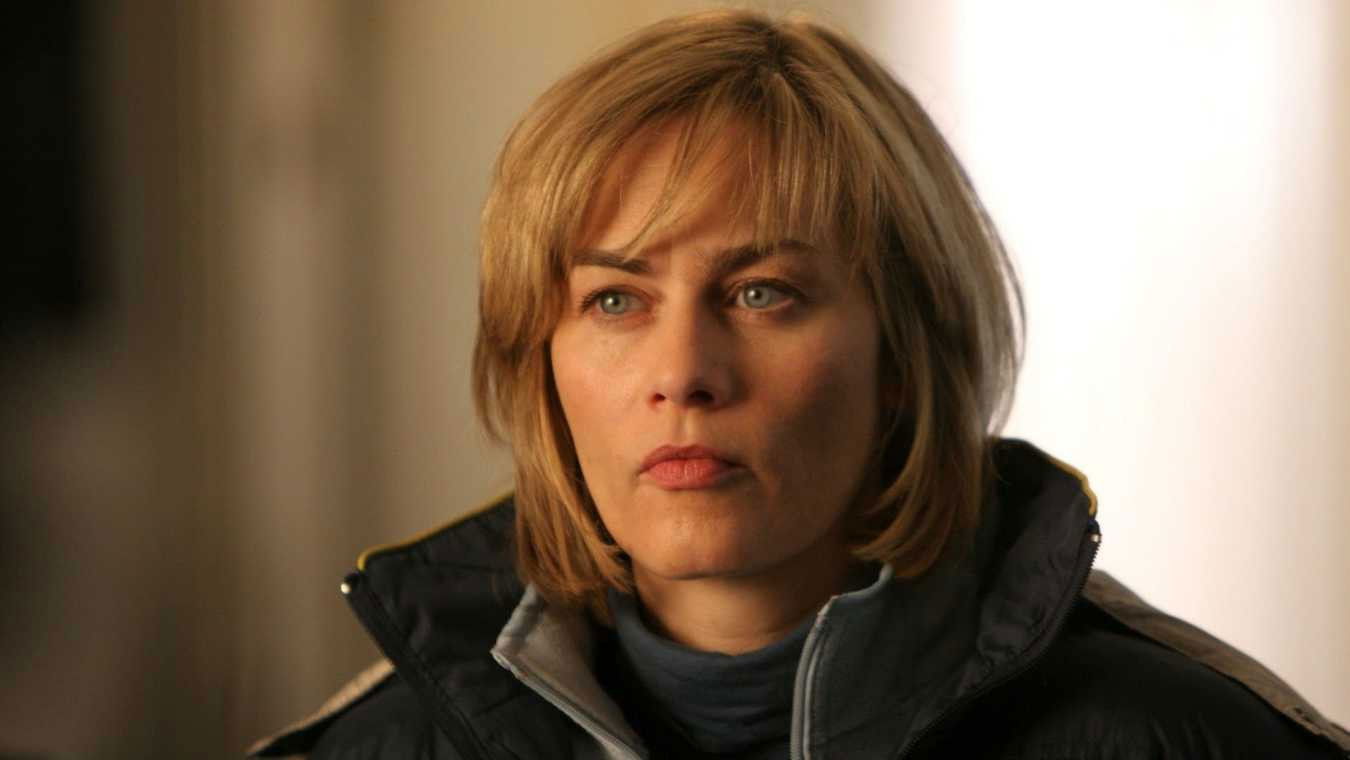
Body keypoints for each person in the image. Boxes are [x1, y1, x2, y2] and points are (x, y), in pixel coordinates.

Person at [250, 10, 1349, 759]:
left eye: (762, 292)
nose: (683, 374)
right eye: (616, 300)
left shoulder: (1178, 737)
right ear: (540, 358)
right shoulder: (374, 748)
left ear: (903, 352)